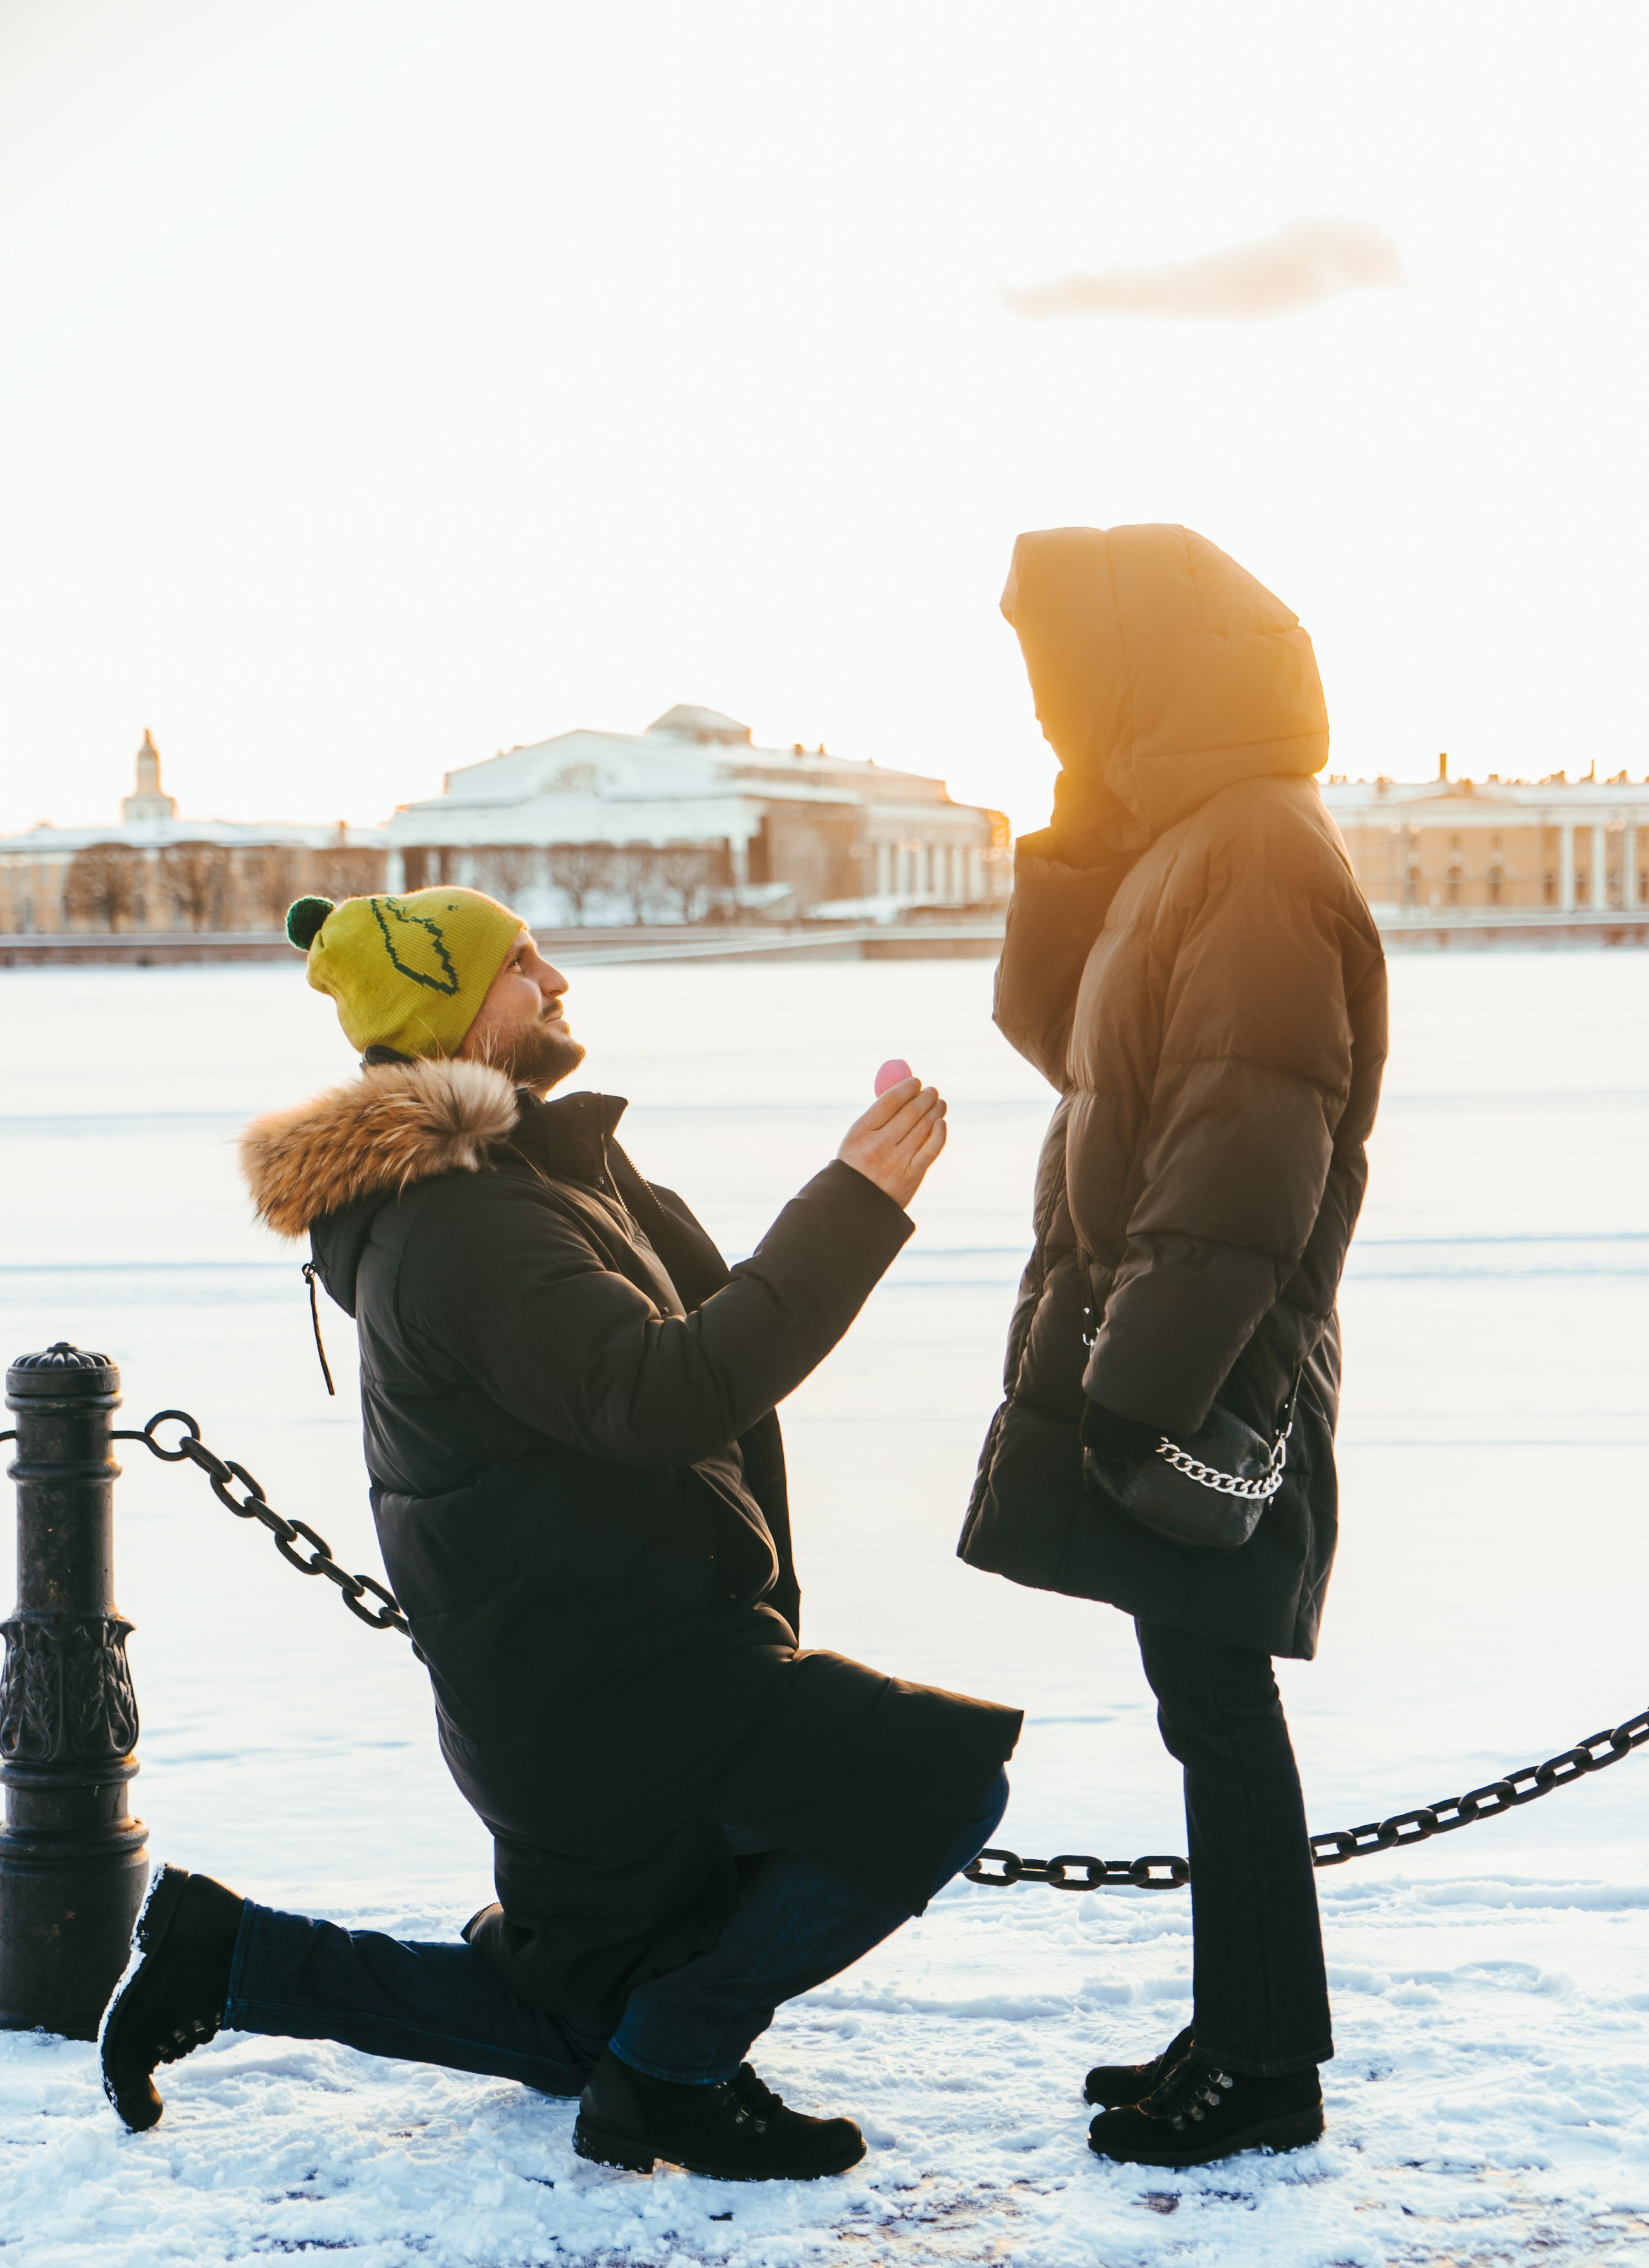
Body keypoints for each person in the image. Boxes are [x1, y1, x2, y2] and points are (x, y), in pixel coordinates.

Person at [102, 885, 1021, 2181]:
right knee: (932, 1779)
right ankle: (672, 2071)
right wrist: (859, 1200)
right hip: (607, 1689)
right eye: (523, 964)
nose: (559, 980)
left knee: (570, 2010)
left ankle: (233, 1957)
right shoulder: (461, 1222)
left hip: (573, 1666)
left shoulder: (514, 1171)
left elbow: (695, 1333)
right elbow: (663, 1395)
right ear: (458, 1013)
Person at [959, 524, 1387, 2167]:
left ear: (1145, 667)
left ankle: (1266, 2067)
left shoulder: (1258, 856)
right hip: (1170, 1340)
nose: (1051, 706)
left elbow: (1240, 1159)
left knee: (1217, 1707)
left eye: (1068, 679)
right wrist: (1076, 832)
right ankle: (1238, 2024)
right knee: (1198, 1702)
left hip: (1206, 1359)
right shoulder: (1192, 841)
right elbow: (1059, 1038)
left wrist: (1135, 1398)